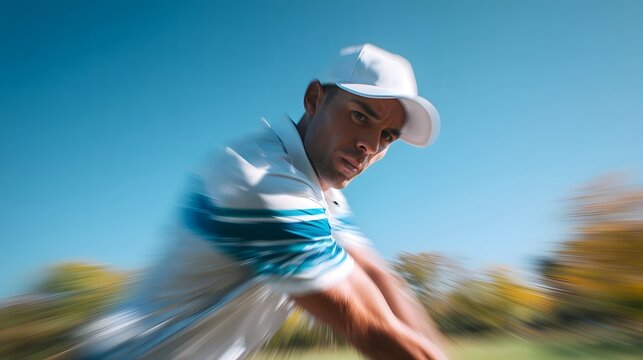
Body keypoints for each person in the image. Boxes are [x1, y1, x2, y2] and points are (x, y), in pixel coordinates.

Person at [78, 43, 447, 360]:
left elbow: (379, 277)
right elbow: (369, 325)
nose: (370, 145)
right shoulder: (262, 181)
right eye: (359, 116)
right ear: (314, 99)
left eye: (387, 136)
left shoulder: (321, 191)